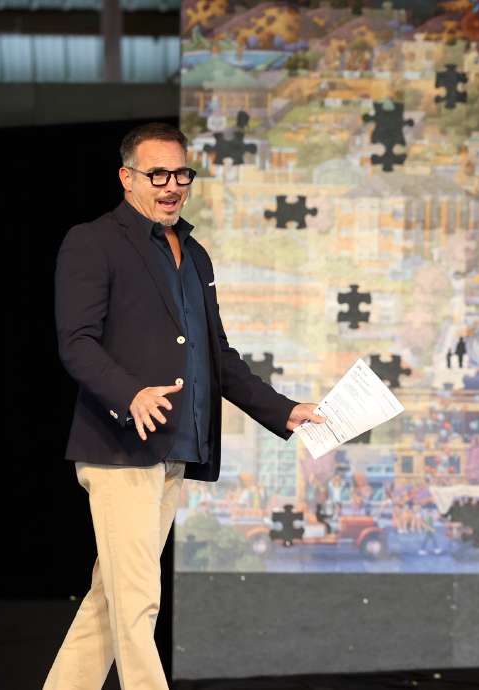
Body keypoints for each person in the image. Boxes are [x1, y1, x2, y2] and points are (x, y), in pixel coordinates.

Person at [44, 123, 326, 690]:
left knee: (112, 599)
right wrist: (129, 393)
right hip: (119, 447)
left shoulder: (194, 254)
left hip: (174, 447)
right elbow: (76, 342)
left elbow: (216, 356)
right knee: (139, 598)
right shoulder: (93, 241)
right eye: (158, 174)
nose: (172, 185)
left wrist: (281, 409)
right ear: (127, 178)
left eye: (181, 174)